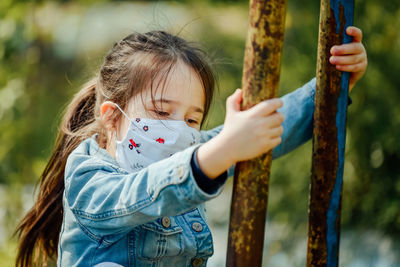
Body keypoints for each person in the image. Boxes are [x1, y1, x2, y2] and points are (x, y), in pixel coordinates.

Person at [15, 26, 367, 267]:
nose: (178, 131)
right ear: (111, 116)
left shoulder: (192, 152)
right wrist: (220, 151)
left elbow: (272, 129)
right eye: (161, 111)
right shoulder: (89, 178)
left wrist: (334, 82)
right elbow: (137, 194)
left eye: (191, 119)